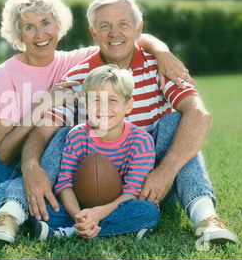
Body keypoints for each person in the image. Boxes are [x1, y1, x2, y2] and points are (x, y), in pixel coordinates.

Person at [0, 0, 190, 231]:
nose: (39, 34)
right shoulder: (4, 74)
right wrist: (42, 104)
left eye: (46, 23)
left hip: (42, 158)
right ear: (19, 34)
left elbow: (122, 37)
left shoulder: (75, 61)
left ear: (58, 25)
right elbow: (4, 150)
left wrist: (162, 50)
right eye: (29, 27)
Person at [0, 0, 238, 245]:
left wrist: (166, 170)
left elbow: (199, 114)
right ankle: (10, 214)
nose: (114, 33)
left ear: (138, 29)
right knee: (63, 134)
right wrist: (31, 168)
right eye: (104, 26)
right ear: (93, 34)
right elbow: (42, 132)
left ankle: (206, 218)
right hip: (90, 187)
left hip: (151, 186)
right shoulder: (78, 76)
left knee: (176, 123)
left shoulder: (160, 65)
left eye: (123, 24)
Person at [34, 64, 159, 240]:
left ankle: (70, 231)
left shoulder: (141, 141)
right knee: (42, 210)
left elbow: (131, 192)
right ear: (86, 104)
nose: (103, 107)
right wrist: (80, 216)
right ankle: (112, 229)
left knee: (148, 211)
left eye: (113, 100)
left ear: (128, 105)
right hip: (80, 205)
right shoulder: (77, 135)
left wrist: (98, 213)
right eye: (96, 100)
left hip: (120, 206)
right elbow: (64, 184)